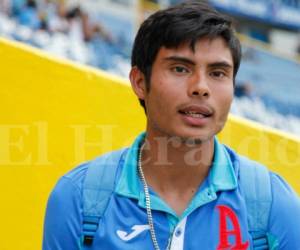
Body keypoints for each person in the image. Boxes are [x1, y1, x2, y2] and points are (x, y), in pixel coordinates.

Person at [43, 1, 300, 250]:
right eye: (180, 68)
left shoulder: (273, 205)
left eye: (218, 73)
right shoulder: (78, 198)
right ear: (140, 82)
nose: (201, 87)